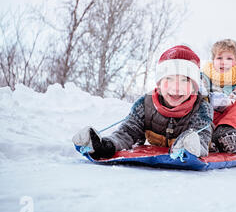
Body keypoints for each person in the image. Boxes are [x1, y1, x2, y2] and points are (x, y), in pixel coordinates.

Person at [72, 45, 213, 160]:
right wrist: (107, 145)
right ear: (159, 83)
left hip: (192, 142)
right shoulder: (145, 104)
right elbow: (128, 131)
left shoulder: (201, 108)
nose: (176, 88)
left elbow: (202, 137)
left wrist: (191, 147)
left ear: (194, 86)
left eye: (185, 80)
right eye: (169, 79)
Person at [201, 39, 236, 154]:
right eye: (219, 58)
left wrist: (227, 101)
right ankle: (204, 138)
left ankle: (226, 133)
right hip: (205, 117)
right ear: (213, 61)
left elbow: (235, 98)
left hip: (226, 117)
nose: (223, 62)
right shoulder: (204, 77)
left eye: (229, 58)